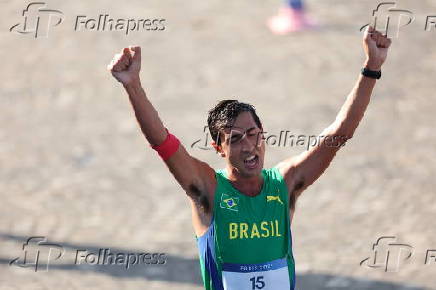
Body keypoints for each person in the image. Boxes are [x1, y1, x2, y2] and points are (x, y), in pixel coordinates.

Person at [107, 26, 392, 290]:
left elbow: (338, 136)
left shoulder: (285, 183)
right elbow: (162, 142)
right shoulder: (208, 189)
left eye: (254, 134)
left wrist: (372, 68)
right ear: (218, 148)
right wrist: (132, 85)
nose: (249, 147)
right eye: (235, 140)